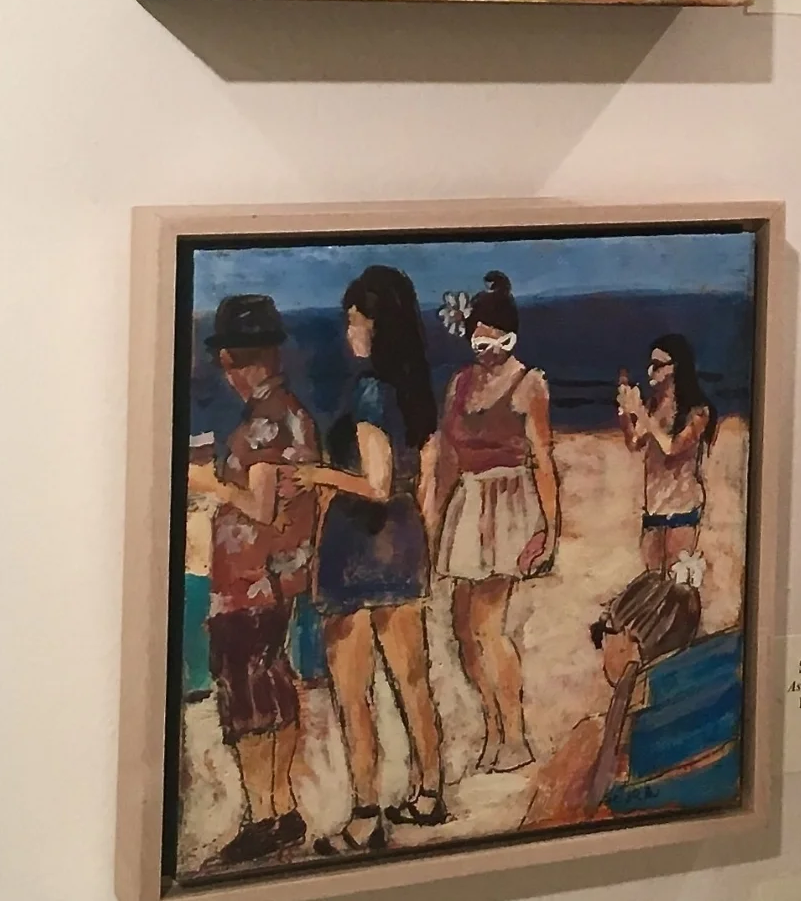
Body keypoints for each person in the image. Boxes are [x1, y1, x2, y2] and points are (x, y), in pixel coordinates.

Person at [290, 268, 445, 855]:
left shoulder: (371, 391)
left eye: (355, 320)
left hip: (358, 545)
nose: (349, 331)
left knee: (354, 692)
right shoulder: (416, 391)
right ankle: (429, 792)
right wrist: (422, 539)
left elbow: (375, 483)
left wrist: (318, 475)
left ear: (377, 325)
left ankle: (364, 815)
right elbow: (427, 478)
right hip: (403, 539)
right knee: (412, 680)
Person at [189, 294, 322, 869]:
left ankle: (264, 816)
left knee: (244, 696)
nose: (232, 371)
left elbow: (260, 507)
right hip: (276, 575)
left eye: (233, 360)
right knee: (272, 685)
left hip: (249, 579)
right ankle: (281, 807)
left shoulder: (264, 422)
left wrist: (210, 484)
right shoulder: (292, 412)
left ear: (234, 361)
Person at [426, 273, 560, 774]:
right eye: (481, 341)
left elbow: (543, 459)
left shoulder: (529, 383)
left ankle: (516, 737)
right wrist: (434, 517)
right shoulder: (459, 384)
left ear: (512, 337)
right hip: (467, 505)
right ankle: (493, 728)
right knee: (461, 630)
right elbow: (447, 458)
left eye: (499, 341)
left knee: (487, 626)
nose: (490, 352)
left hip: (508, 506)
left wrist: (550, 528)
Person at [520, 565, 702, 829]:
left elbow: (538, 828)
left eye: (604, 632)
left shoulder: (594, 738)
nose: (602, 645)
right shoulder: (693, 717)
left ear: (630, 638)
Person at [615, 334, 716, 572]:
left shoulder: (698, 411)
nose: (651, 371)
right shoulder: (654, 405)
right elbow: (634, 443)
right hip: (654, 507)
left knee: (676, 579)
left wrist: (641, 413)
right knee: (651, 579)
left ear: (675, 368)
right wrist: (625, 413)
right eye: (651, 364)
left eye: (658, 365)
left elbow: (672, 447)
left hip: (682, 508)